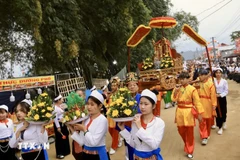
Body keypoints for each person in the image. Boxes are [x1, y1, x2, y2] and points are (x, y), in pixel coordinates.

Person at [118, 89, 165, 160]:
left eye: (146, 104)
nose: (142, 107)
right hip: (137, 157)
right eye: (140, 103)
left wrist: (140, 127)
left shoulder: (159, 123)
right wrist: (122, 129)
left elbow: (154, 145)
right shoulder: (136, 119)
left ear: (153, 106)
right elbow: (133, 143)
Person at [68, 90, 110, 160]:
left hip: (99, 155)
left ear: (100, 106)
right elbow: (82, 142)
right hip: (86, 154)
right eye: (88, 104)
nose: (89, 107)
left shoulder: (102, 120)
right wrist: (70, 127)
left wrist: (84, 129)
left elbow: (94, 142)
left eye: (92, 104)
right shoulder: (86, 119)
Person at [171, 72, 204, 159]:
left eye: (183, 79)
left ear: (188, 79)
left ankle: (190, 150)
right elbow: (173, 99)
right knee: (181, 130)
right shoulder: (177, 88)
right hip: (179, 111)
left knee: (189, 131)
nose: (181, 80)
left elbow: (197, 102)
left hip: (189, 111)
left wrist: (199, 113)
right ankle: (187, 144)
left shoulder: (192, 89)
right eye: (180, 79)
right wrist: (176, 91)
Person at [197, 69, 217, 145]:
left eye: (202, 75)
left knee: (208, 120)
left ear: (206, 76)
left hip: (208, 103)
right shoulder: (197, 83)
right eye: (199, 75)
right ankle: (204, 137)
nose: (200, 76)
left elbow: (213, 95)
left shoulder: (210, 84)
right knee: (201, 120)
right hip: (199, 103)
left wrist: (214, 105)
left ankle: (207, 134)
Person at [106, 77, 121, 155]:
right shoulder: (110, 93)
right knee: (110, 129)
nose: (113, 87)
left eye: (114, 86)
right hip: (109, 115)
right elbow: (106, 103)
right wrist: (107, 98)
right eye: (112, 86)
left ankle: (114, 146)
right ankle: (119, 139)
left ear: (118, 86)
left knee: (115, 131)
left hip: (116, 115)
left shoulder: (120, 93)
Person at [53, 95, 71, 159]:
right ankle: (59, 153)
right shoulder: (55, 108)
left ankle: (66, 151)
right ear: (58, 100)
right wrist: (58, 127)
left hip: (63, 123)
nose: (62, 99)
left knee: (65, 135)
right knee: (59, 139)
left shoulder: (61, 106)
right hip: (58, 124)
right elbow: (55, 118)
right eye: (61, 99)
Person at [213, 68, 228, 135]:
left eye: (219, 73)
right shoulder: (213, 80)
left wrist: (220, 95)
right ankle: (220, 127)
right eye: (217, 73)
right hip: (215, 98)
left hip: (222, 98)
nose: (218, 74)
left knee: (223, 111)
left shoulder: (224, 81)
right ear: (215, 74)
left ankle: (224, 121)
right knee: (218, 113)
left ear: (221, 74)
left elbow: (226, 90)